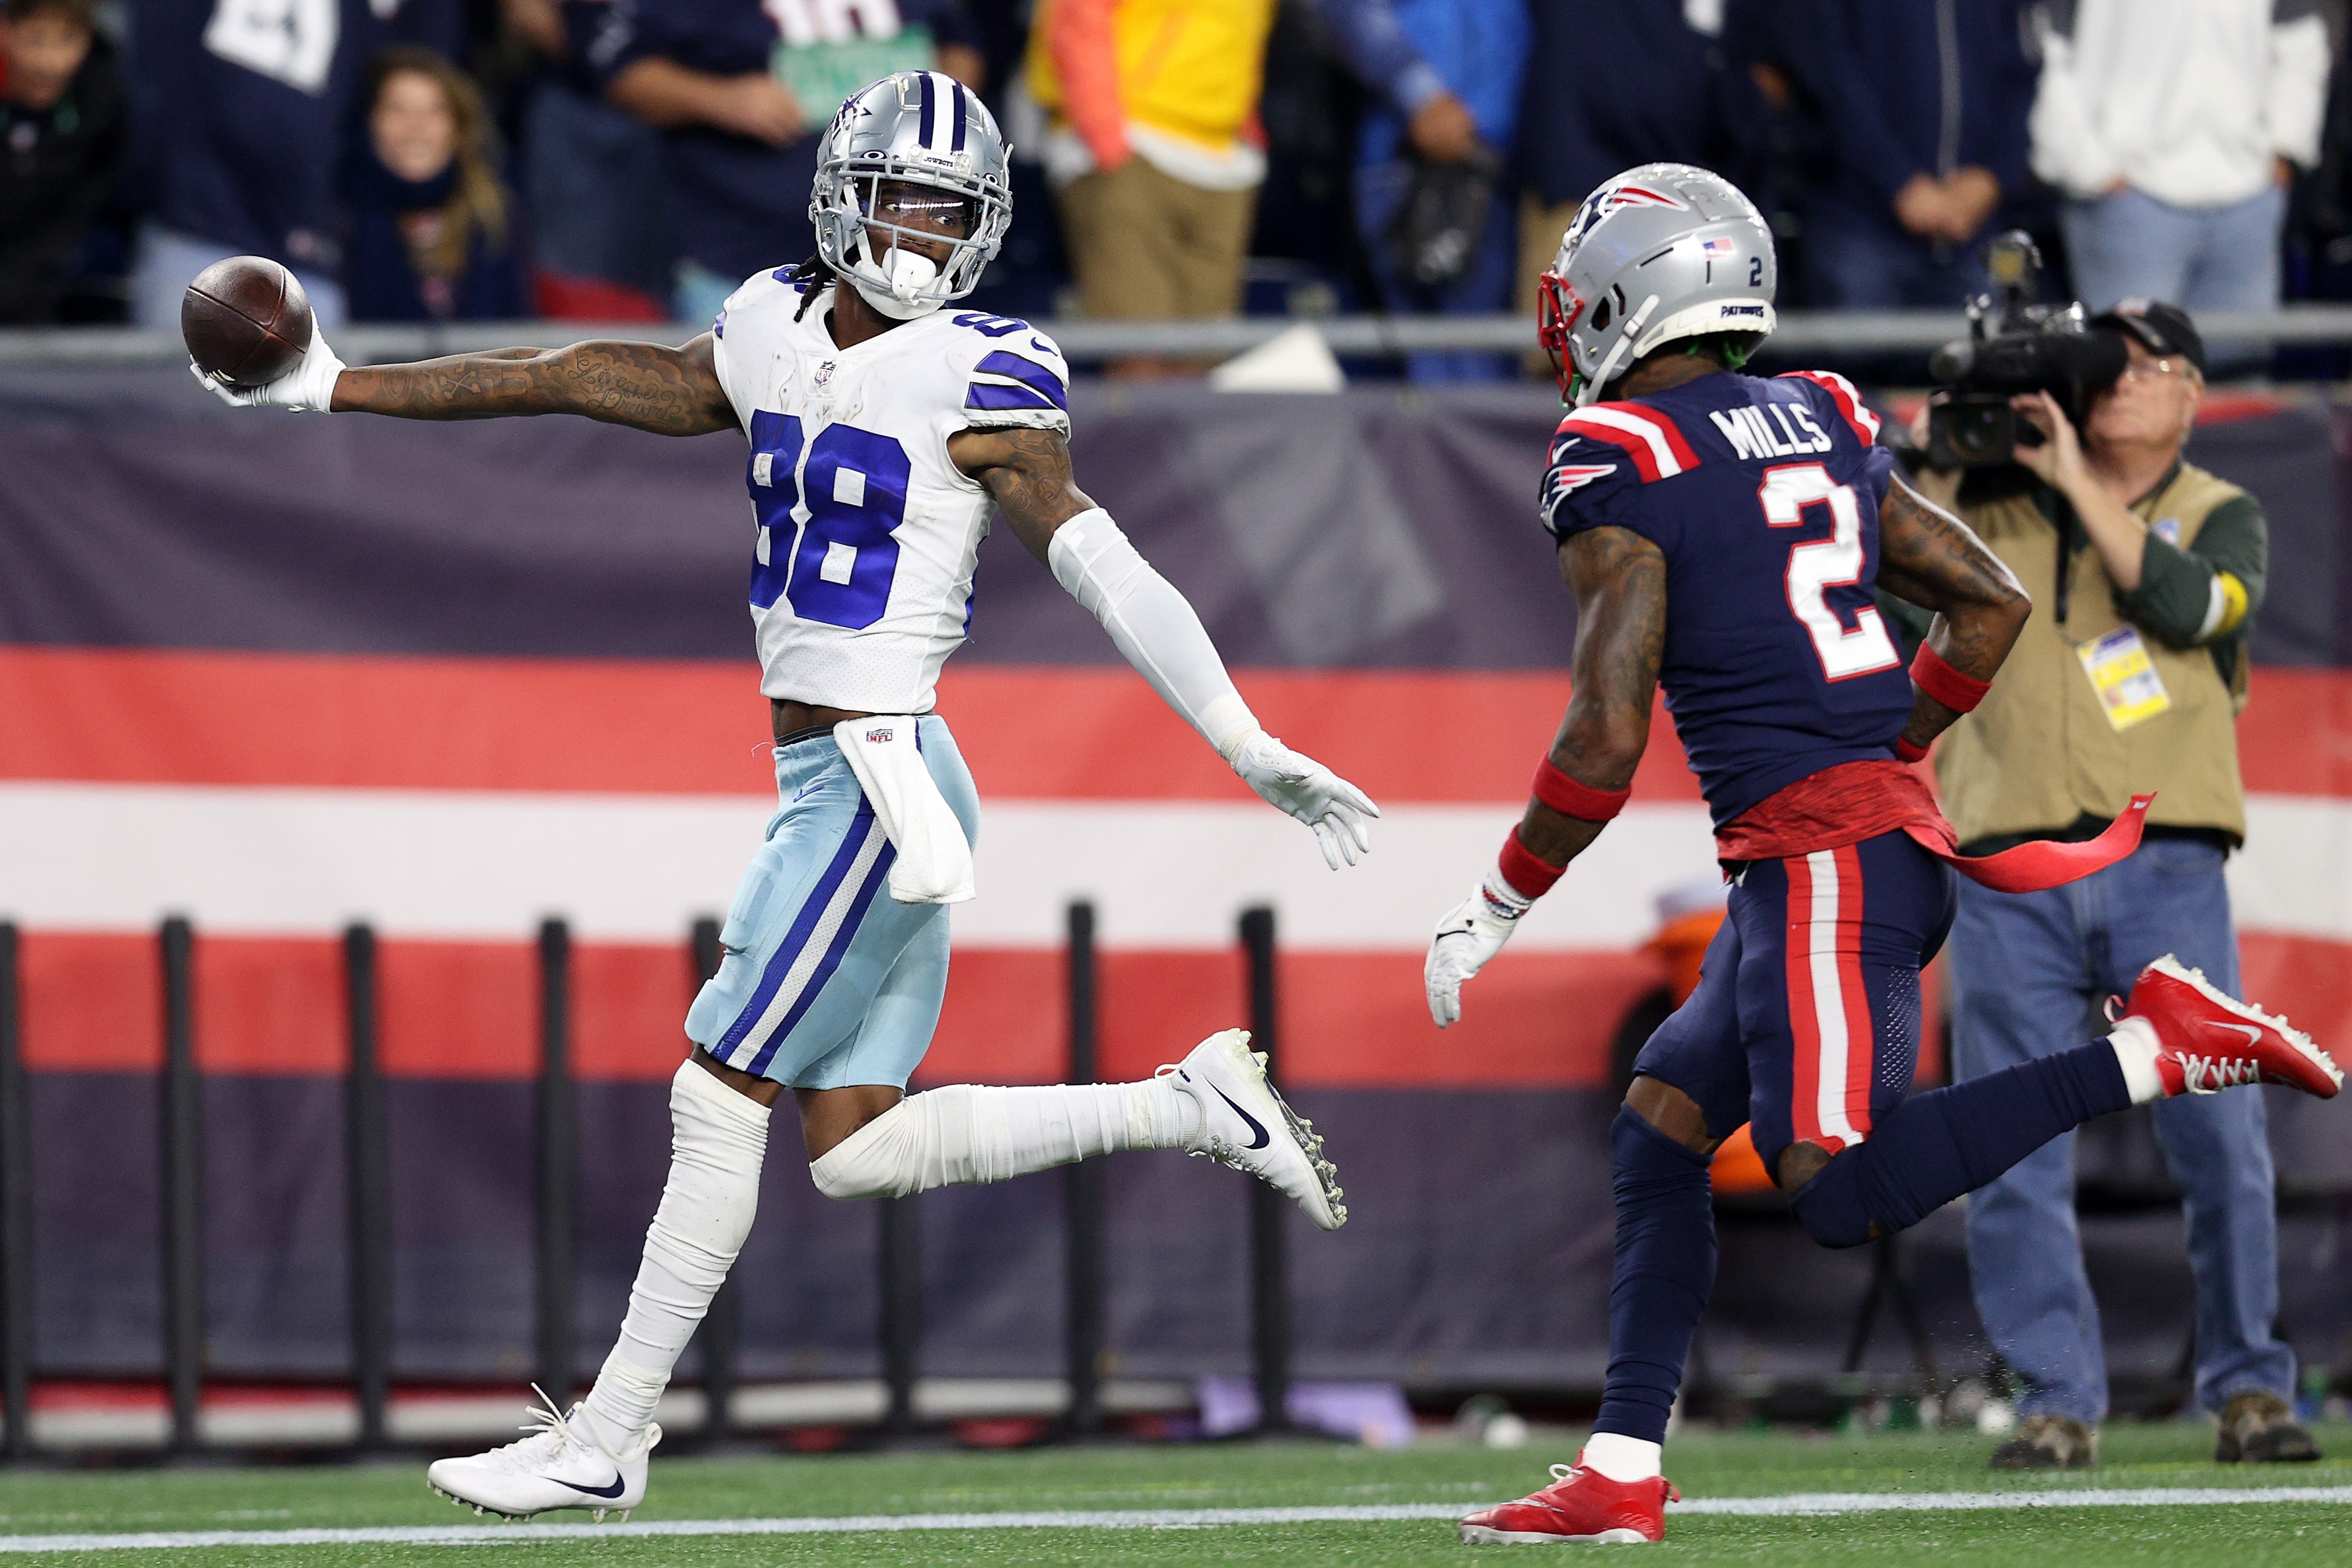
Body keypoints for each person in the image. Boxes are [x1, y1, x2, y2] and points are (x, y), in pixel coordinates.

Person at [197, 71, 1373, 1521]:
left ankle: (610, 1433)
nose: (933, 234)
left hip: (880, 777)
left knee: (715, 1088)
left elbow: (1100, 559)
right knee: (858, 1147)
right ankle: (1189, 1102)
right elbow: (578, 375)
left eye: (959, 211)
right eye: (912, 201)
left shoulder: (985, 367)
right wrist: (333, 384)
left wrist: (1243, 737)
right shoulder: (765, 321)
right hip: (846, 776)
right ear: (844, 196)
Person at [1419, 164, 2340, 1546]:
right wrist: (1886, 753)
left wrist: (1497, 900)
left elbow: (1604, 738)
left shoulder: (1616, 451)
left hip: (1826, 862)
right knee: (1663, 1122)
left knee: (1837, 1185)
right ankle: (1620, 1462)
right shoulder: (1825, 410)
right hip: (1841, 845)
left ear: (1629, 296)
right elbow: (1988, 600)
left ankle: (2154, 1048)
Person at [1910, 301, 2317, 1469]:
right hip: (2008, 865)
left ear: (2193, 393)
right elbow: (1893, 604)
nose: (2120, 382)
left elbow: (2187, 604)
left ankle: (2247, 1388)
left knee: (2217, 1136)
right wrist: (1934, 459)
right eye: (2109, 365)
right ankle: (2055, 1402)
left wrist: (2078, 480)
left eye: (2148, 369)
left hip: (2165, 862)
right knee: (2010, 1147)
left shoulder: (2218, 511)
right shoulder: (1982, 507)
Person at [591, 0, 984, 325]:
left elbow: (958, 41)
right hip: (738, 249)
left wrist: (938, 118)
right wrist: (720, 99)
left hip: (897, 250)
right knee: (729, 398)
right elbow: (618, 68)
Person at [124, 0, 464, 328]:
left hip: (310, 262)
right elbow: (153, 77)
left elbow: (359, 120)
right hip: (196, 235)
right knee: (183, 383)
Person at [2031, 0, 2329, 315]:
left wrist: (2284, 148)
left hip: (2248, 197)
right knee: (2131, 359)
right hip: (2125, 204)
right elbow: (2042, 42)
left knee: (2241, 361)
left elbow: (2300, 36)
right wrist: (2086, 166)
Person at [1733, 0, 2036, 310]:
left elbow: (2022, 70)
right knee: (1856, 352)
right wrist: (1899, 182)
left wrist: (1993, 176)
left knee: (1994, 351)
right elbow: (1826, 70)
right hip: (1858, 220)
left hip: (1976, 226)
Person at [1316, 0, 1528, 382]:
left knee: (1495, 354)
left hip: (1506, 165)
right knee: (1432, 355)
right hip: (1409, 161)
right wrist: (1421, 95)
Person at [1025, 0, 1273, 327]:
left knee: (1210, 349)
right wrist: (1106, 138)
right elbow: (1079, 17)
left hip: (1225, 161)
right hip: (1131, 149)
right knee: (1138, 346)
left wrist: (1246, 131)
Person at [344, 49, 527, 322]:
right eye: (398, 109)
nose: (416, 126)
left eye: (434, 111)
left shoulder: (494, 219)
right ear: (371, 121)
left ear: (457, 127)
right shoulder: (338, 216)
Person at [0, 0, 127, 323]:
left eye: (68, 40)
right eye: (35, 39)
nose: (50, 62)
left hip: (44, 297)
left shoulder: (104, 101)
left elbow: (95, 192)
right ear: (5, 31)